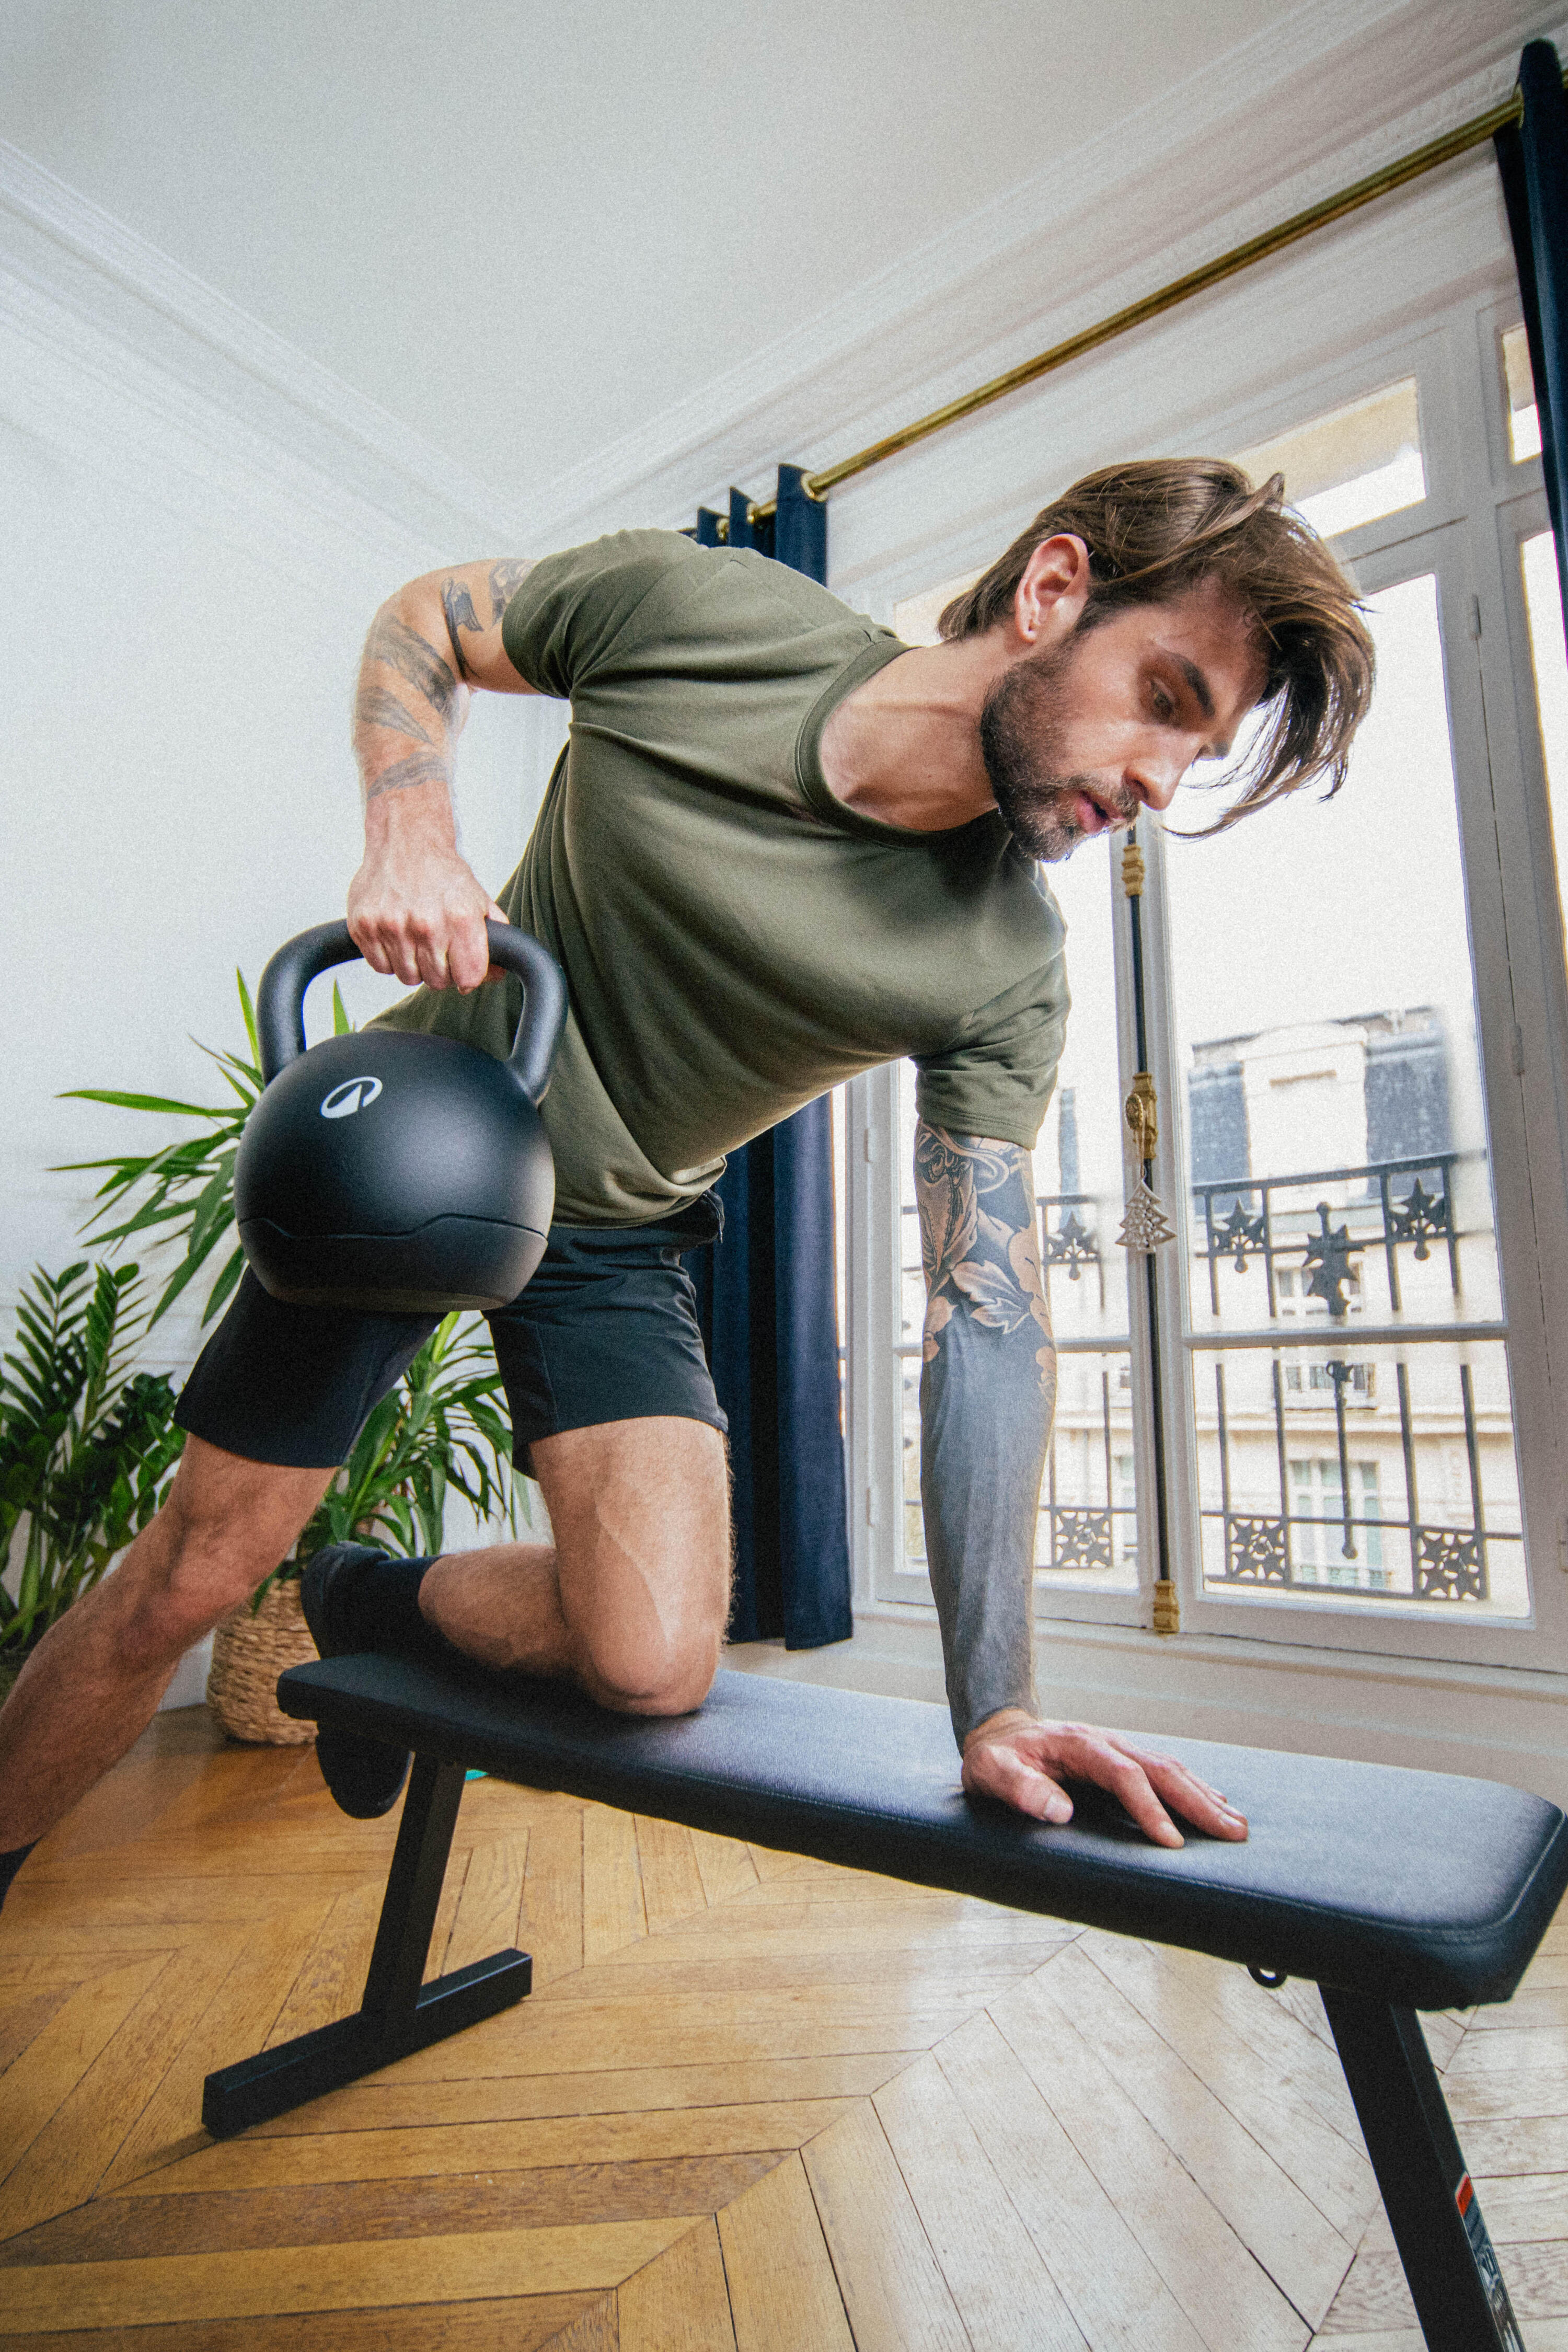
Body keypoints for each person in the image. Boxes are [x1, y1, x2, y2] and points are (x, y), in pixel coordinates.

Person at [0, 459, 1374, 1911]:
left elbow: (987, 1317)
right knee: (191, 1574)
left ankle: (359, 1594)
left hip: (615, 1227)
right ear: (1052, 591)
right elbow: (429, 619)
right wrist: (411, 821)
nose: (1160, 782)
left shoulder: (1005, 964)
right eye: (1167, 698)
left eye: (1198, 754)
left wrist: (998, 1707)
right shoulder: (704, 613)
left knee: (655, 1663)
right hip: (427, 1137)